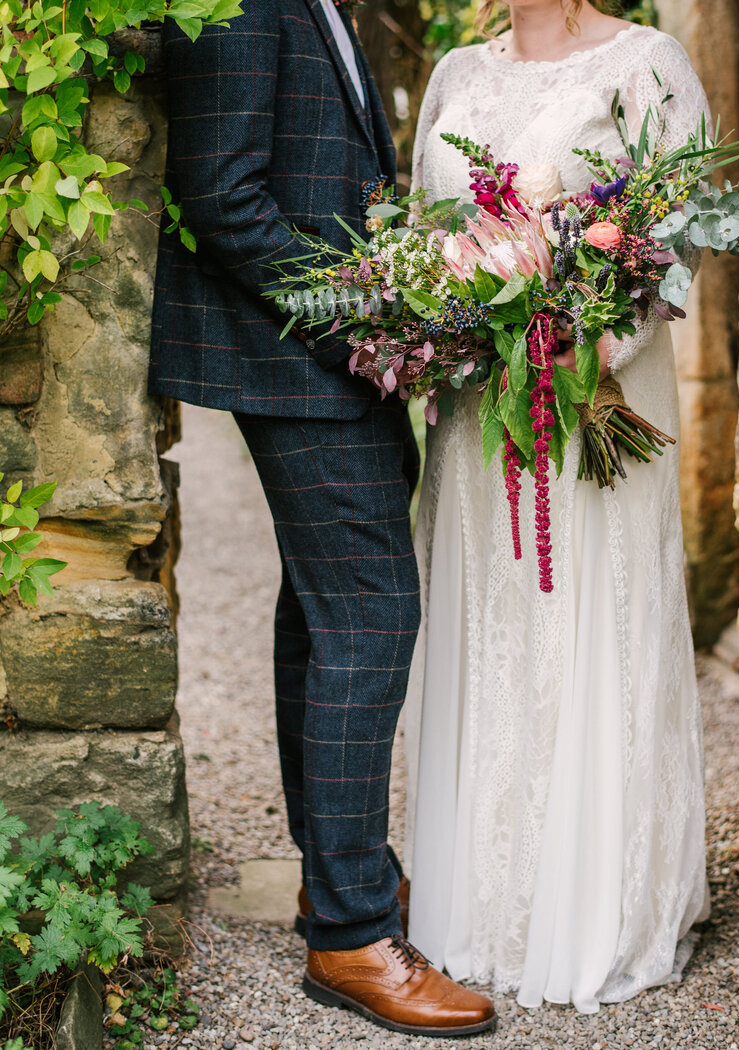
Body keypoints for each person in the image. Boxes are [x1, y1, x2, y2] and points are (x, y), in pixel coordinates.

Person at [149, 0, 496, 1037]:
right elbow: (220, 195)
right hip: (297, 359)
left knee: (321, 611)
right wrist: (369, 314)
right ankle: (350, 937)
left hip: (329, 359)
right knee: (370, 615)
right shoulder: (244, 1)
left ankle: (333, 879)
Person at [405, 0, 711, 1014]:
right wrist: (454, 316)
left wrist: (572, 339)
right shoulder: (453, 74)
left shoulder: (647, 64)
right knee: (491, 622)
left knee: (587, 615)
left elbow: (677, 246)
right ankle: (477, 901)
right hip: (472, 408)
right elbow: (418, 237)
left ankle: (595, 906)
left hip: (594, 396)